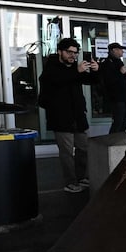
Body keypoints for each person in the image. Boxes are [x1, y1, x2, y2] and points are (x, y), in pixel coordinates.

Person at [39, 37, 98, 193]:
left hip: (78, 115)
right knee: (66, 152)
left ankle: (82, 177)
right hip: (61, 117)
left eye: (75, 53)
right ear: (60, 52)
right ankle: (70, 181)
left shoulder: (75, 68)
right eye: (69, 52)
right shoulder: (51, 68)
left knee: (83, 148)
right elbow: (56, 81)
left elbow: (90, 81)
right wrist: (77, 72)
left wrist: (95, 70)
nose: (73, 55)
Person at [98, 42, 126, 134]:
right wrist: (120, 73)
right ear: (114, 50)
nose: (122, 52)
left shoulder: (119, 62)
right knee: (118, 122)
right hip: (116, 98)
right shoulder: (107, 63)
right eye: (120, 50)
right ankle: (112, 142)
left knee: (123, 123)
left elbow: (122, 79)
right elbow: (109, 80)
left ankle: (119, 142)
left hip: (123, 96)